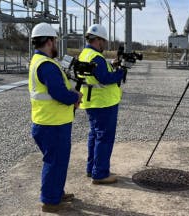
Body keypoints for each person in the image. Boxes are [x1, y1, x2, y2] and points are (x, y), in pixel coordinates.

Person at [28, 22, 82, 212]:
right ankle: (50, 200)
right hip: (53, 124)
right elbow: (58, 93)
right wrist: (75, 96)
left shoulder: (37, 61)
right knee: (55, 162)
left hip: (46, 122)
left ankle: (56, 192)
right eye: (55, 41)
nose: (56, 44)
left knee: (57, 161)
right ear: (49, 41)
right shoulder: (47, 65)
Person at [78, 24, 124, 184]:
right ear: (98, 40)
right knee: (104, 138)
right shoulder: (96, 57)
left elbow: (98, 73)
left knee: (95, 136)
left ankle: (92, 169)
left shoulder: (84, 54)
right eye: (103, 41)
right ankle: (101, 173)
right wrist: (120, 73)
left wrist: (113, 66)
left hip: (93, 102)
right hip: (104, 103)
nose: (104, 44)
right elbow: (104, 78)